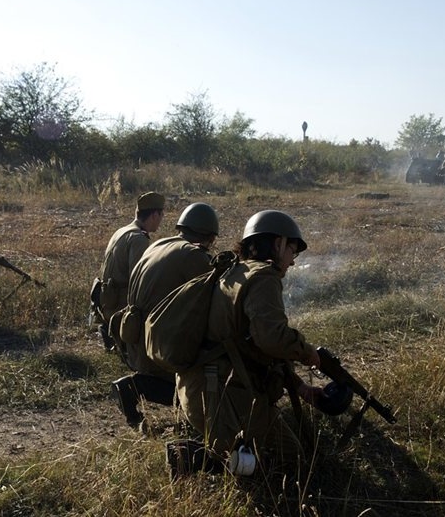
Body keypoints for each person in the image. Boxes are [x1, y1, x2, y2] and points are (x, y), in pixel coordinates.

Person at [176, 209, 323, 476]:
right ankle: (190, 458)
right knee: (292, 461)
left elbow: (253, 347)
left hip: (200, 387)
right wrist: (307, 352)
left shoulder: (235, 270)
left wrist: (298, 386)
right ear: (278, 243)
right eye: (292, 250)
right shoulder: (264, 276)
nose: (292, 261)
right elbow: (272, 338)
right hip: (219, 395)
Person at [111, 202, 220, 427]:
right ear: (210, 237)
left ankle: (136, 386)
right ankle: (134, 387)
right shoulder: (192, 255)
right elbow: (217, 298)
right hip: (157, 342)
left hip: (135, 335)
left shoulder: (158, 245)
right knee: (201, 382)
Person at [94, 191, 165, 350]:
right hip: (119, 308)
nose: (161, 220)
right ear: (154, 215)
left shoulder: (122, 231)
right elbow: (139, 282)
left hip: (106, 303)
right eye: (161, 215)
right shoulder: (138, 239)